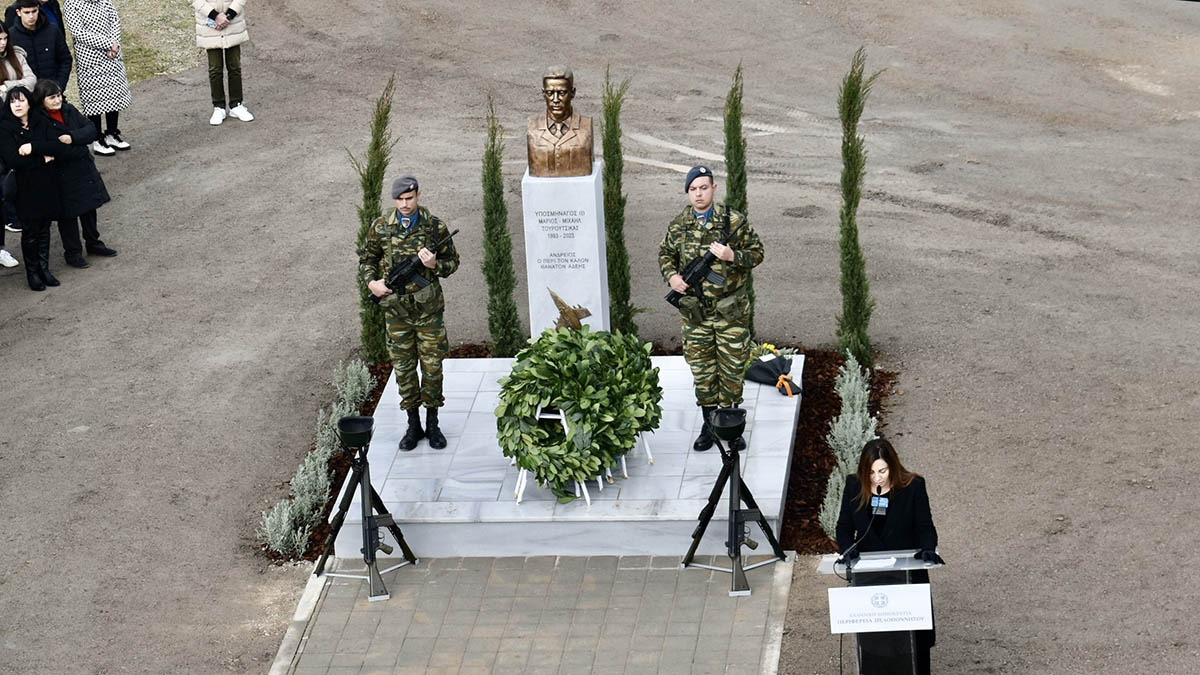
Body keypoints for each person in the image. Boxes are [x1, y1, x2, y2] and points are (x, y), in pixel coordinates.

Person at [658, 165, 764, 452]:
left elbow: (757, 253)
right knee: (703, 374)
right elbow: (665, 253)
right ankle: (709, 426)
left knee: (731, 371)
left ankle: (731, 426)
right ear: (688, 193)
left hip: (730, 314)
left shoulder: (733, 221)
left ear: (714, 189)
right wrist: (673, 277)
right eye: (693, 189)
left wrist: (732, 255)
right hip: (696, 315)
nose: (699, 193)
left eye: (704, 187)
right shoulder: (679, 224)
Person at [359, 175, 460, 451]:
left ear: (418, 196)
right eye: (400, 200)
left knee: (432, 368)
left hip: (428, 311)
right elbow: (367, 260)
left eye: (410, 198)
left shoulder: (434, 227)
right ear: (395, 200)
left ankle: (432, 423)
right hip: (396, 312)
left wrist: (435, 264)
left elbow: (453, 263)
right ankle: (412, 424)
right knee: (403, 369)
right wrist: (373, 283)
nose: (405, 204)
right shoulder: (381, 227)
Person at [836, 438, 940, 674]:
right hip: (870, 577)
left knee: (912, 642)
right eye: (871, 472)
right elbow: (843, 527)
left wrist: (928, 548)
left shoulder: (913, 486)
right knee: (877, 643)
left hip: (906, 575)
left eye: (882, 470)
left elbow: (925, 526)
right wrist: (847, 548)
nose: (877, 478)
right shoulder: (854, 485)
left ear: (892, 466)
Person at [34, 78, 113, 268]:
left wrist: (72, 138)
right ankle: (73, 252)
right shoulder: (39, 120)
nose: (57, 100)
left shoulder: (69, 110)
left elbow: (91, 129)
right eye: (51, 97)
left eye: (58, 95)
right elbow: (53, 146)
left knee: (89, 209)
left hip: (82, 169)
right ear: (41, 100)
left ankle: (93, 243)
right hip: (60, 174)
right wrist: (77, 143)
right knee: (67, 216)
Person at [0, 85, 65, 290]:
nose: (17, 105)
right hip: (24, 186)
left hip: (46, 183)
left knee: (45, 227)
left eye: (21, 100)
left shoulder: (40, 121)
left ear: (29, 102)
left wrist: (33, 148)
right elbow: (13, 160)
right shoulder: (4, 127)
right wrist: (42, 159)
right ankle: (33, 272)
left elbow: (56, 145)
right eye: (12, 101)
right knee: (30, 231)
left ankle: (44, 269)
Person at [60, 0, 130, 156]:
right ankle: (97, 138)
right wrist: (107, 44)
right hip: (91, 58)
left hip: (111, 55)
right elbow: (78, 32)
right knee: (95, 99)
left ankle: (112, 133)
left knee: (113, 95)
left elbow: (114, 21)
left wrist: (114, 44)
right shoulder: (72, 3)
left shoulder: (104, 1)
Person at [192, 0, 252, 125]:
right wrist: (215, 16)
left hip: (232, 22)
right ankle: (218, 107)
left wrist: (228, 15)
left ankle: (236, 105)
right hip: (210, 23)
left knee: (234, 66)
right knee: (215, 68)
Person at [525, 66, 593, 177]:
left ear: (572, 93)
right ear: (543, 94)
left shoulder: (585, 127)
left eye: (561, 93)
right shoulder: (533, 127)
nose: (555, 100)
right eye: (550, 93)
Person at [6, 0, 69, 93]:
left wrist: (59, 85)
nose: (31, 16)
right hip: (26, 94)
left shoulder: (53, 31)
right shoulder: (11, 36)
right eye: (26, 12)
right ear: (18, 12)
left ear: (38, 10)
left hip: (52, 90)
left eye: (34, 11)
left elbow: (65, 60)